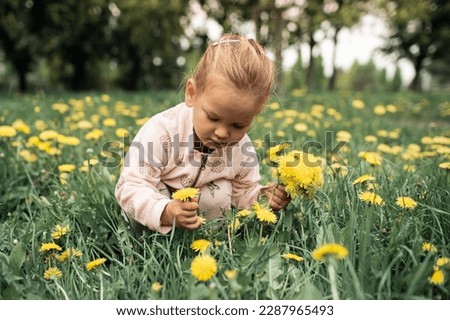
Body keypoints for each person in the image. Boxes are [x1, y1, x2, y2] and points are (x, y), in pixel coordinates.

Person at [115, 33, 291, 235]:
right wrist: (165, 210)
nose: (223, 133)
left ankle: (209, 240)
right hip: (154, 216)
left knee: (220, 192)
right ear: (192, 93)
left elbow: (242, 191)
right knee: (148, 197)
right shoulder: (163, 131)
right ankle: (154, 241)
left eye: (238, 124)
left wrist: (265, 198)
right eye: (213, 118)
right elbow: (130, 186)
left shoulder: (242, 148)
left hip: (199, 224)